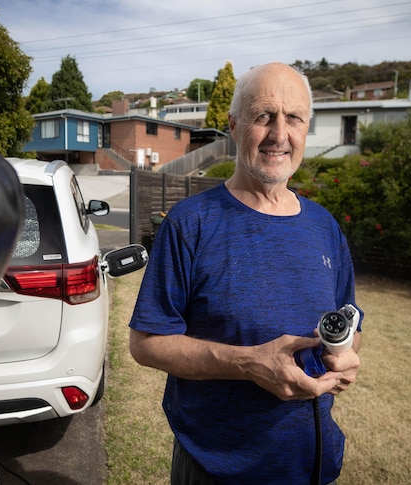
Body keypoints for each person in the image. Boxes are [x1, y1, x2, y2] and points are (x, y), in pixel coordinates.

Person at [128, 62, 363, 485]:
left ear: (306, 128)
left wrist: (343, 354)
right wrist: (249, 363)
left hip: (311, 462)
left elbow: (350, 320)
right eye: (263, 116)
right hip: (217, 466)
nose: (279, 134)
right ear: (234, 126)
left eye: (293, 118)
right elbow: (146, 344)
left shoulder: (324, 227)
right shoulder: (190, 224)